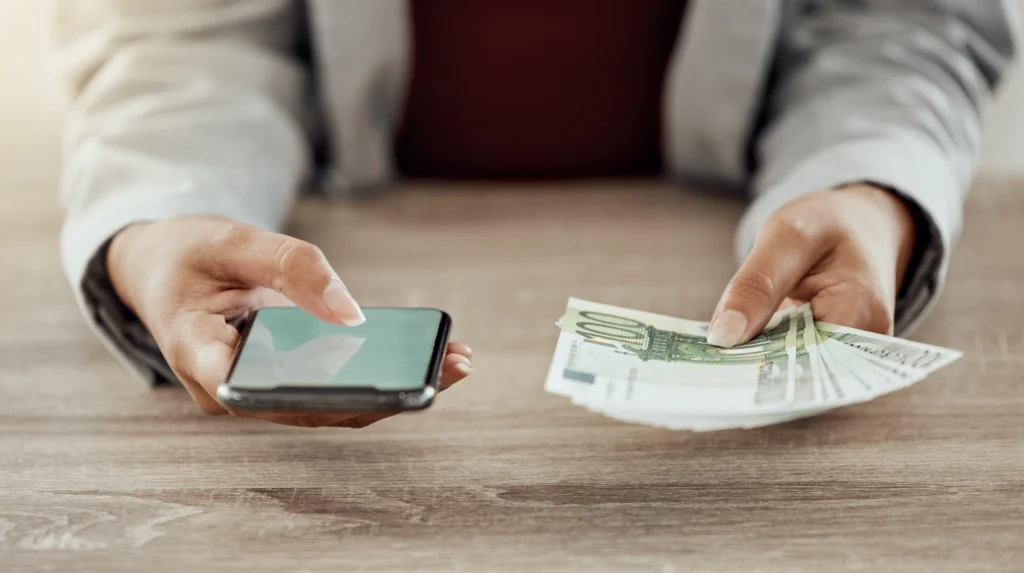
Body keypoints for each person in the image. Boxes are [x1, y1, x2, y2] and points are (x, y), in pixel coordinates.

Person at [53, 1, 1017, 428]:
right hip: (367, 211)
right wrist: (163, 222)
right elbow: (183, 40)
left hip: (727, 209)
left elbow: (904, 22)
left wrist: (867, 190)